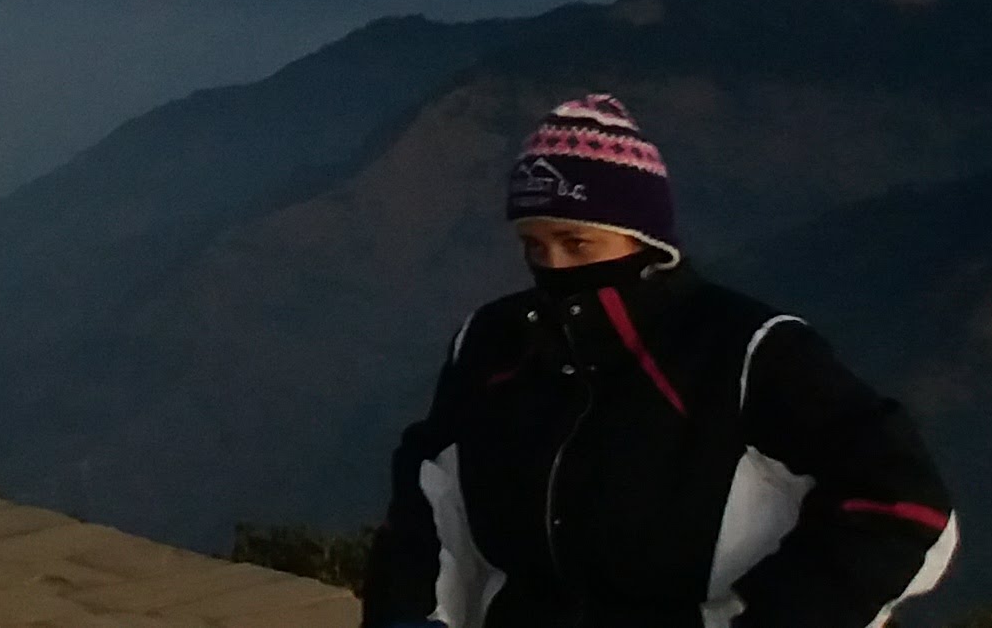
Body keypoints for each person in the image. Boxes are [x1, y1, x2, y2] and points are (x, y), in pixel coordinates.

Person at [361, 94, 958, 628]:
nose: (554, 267)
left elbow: (902, 502)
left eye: (578, 243)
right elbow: (431, 496)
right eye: (534, 245)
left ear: (644, 241)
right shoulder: (493, 343)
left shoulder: (745, 350)